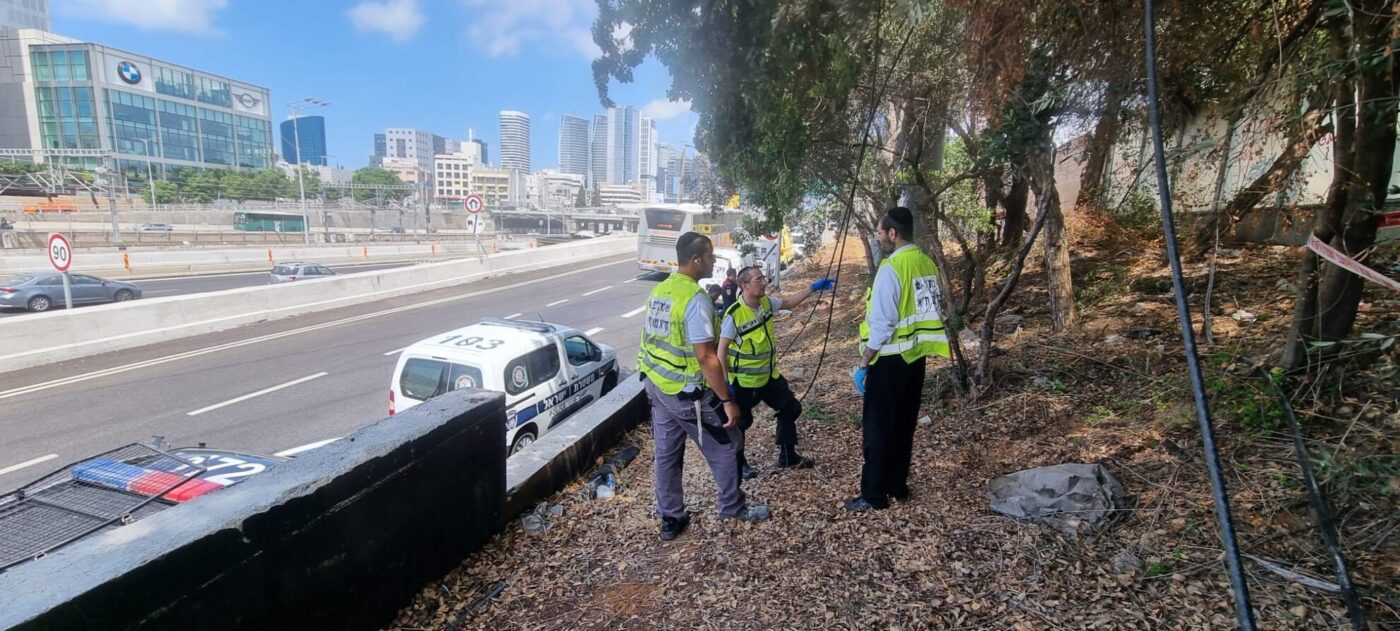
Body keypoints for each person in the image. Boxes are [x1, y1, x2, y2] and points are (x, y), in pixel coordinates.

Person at [639, 231, 772, 540]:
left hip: (657, 387)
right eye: (711, 256)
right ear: (696, 260)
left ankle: (671, 517)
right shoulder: (695, 300)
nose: (714, 261)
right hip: (687, 395)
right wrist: (727, 399)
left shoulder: (661, 290)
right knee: (729, 444)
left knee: (667, 454)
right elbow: (706, 356)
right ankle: (732, 508)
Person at [846, 207, 950, 512]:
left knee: (878, 429)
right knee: (904, 425)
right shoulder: (926, 263)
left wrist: (865, 362)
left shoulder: (892, 268)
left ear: (893, 233)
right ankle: (897, 486)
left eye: (880, 232)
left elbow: (883, 323)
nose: (878, 238)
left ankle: (873, 494)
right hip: (915, 360)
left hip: (889, 360)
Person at [718, 266, 835, 479]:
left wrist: (814, 287)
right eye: (758, 279)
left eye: (763, 278)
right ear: (744, 285)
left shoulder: (765, 304)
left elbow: (789, 302)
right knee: (741, 424)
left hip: (769, 377)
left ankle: (787, 455)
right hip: (744, 382)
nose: (764, 282)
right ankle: (739, 463)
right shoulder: (734, 315)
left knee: (791, 407)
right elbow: (721, 350)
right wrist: (726, 383)